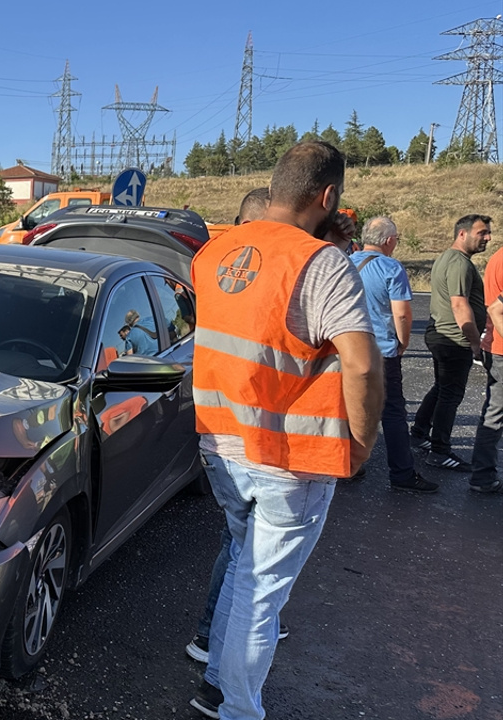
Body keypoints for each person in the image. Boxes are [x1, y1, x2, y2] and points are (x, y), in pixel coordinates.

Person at [187, 141, 383, 720]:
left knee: (244, 565)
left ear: (274, 187)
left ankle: (218, 686)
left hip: (219, 441)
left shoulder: (213, 254)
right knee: (261, 589)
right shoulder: (320, 263)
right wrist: (363, 443)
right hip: (289, 456)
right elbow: (363, 364)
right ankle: (240, 709)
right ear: (327, 196)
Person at [183, 185, 288, 669]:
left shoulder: (210, 263)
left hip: (219, 427)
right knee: (244, 548)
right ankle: (215, 638)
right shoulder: (267, 273)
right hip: (250, 436)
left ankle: (224, 631)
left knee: (240, 539)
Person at [352, 217, 438, 493]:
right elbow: (401, 312)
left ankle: (347, 465)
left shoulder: (346, 263)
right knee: (392, 413)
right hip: (381, 350)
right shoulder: (391, 267)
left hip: (348, 349)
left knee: (347, 408)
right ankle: (402, 474)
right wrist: (402, 342)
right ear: (389, 241)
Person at [411, 214, 492, 470]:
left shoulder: (450, 258)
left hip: (443, 336)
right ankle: (439, 451)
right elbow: (459, 304)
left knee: (442, 388)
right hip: (453, 339)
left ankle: (420, 432)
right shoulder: (459, 263)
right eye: (482, 233)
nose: (488, 238)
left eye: (488, 233)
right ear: (462, 234)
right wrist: (474, 343)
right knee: (451, 395)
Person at [468, 215, 503, 494]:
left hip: (495, 346)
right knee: (495, 414)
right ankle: (482, 475)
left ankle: (483, 474)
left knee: (494, 412)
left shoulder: (497, 258)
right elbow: (496, 309)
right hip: (501, 349)